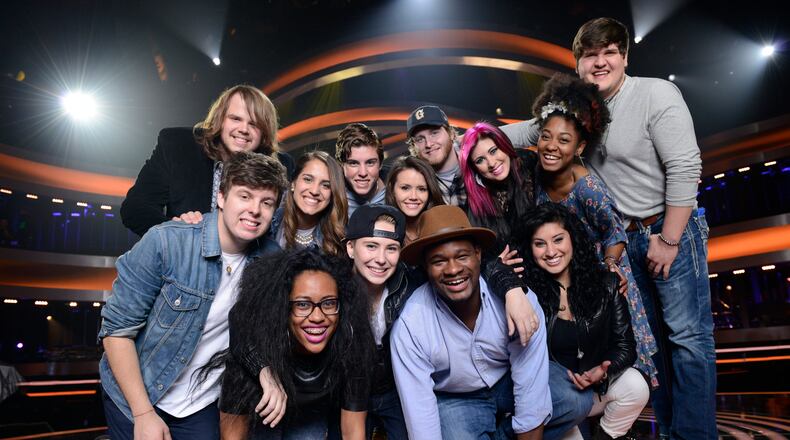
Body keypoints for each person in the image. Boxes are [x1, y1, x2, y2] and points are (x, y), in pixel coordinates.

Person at [502, 17, 715, 439]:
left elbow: (686, 167)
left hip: (666, 230)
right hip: (618, 242)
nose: (599, 63)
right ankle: (672, 431)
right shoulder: (578, 112)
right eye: (589, 55)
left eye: (609, 53)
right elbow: (519, 134)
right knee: (651, 346)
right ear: (577, 62)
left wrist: (669, 239)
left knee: (688, 342)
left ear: (624, 57)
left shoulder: (656, 93)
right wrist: (461, 144)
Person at [99, 152, 287, 440]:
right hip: (136, 395)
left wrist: (266, 370)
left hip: (199, 404)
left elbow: (251, 333)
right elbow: (116, 332)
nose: (255, 210)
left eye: (267, 202)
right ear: (222, 196)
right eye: (245, 196)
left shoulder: (271, 260)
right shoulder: (166, 242)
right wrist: (143, 413)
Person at [530, 73, 658, 388]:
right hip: (565, 275)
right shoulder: (536, 177)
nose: (551, 146)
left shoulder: (587, 187)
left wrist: (611, 269)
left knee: (614, 364)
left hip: (600, 276)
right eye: (546, 136)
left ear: (580, 146)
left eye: (563, 140)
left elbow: (615, 233)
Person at [390, 205, 551, 439]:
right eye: (438, 261)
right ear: (425, 267)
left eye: (462, 256)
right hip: (456, 397)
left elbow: (532, 388)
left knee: (569, 399)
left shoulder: (519, 302)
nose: (453, 269)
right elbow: (420, 415)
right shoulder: (411, 324)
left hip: (506, 379)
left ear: (478, 254)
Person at [515, 203, 649, 440]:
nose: (550, 251)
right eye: (540, 244)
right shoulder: (525, 293)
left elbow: (625, 346)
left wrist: (602, 371)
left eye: (558, 239)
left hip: (594, 386)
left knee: (636, 385)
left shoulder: (606, 282)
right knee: (570, 407)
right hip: (554, 399)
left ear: (573, 239)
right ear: (530, 249)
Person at [216, 248, 374, 439]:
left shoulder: (352, 346)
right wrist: (264, 370)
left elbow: (353, 434)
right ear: (283, 308)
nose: (317, 317)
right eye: (302, 304)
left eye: (329, 303)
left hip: (309, 418)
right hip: (260, 422)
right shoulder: (251, 354)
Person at [120, 84, 294, 236]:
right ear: (221, 119)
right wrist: (176, 231)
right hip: (183, 264)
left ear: (264, 132)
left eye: (254, 124)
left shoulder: (281, 165)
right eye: (235, 118)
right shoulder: (178, 146)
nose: (244, 129)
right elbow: (135, 208)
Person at [344, 204, 416, 439]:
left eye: (392, 248)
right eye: (371, 246)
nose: (381, 259)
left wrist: (510, 288)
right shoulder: (331, 288)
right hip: (345, 392)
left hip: (397, 391)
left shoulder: (411, 283)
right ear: (351, 248)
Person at [458, 121, 538, 253]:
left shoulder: (530, 165)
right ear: (474, 169)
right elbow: (479, 253)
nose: (491, 163)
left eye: (494, 151)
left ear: (504, 145)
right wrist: (496, 265)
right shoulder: (475, 200)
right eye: (480, 160)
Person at [269, 151, 348, 256]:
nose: (315, 191)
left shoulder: (340, 238)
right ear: (293, 183)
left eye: (326, 185)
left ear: (333, 193)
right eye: (308, 179)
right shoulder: (270, 222)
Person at [406, 105, 466, 207]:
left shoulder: (476, 155)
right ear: (413, 146)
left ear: (451, 133)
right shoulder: (415, 180)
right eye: (420, 139)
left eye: (434, 133)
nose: (428, 144)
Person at [383, 155, 445, 246]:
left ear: (430, 192)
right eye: (405, 188)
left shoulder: (443, 225)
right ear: (392, 189)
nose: (413, 196)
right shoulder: (382, 231)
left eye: (422, 189)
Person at [335, 123, 387, 216]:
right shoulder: (330, 199)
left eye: (370, 163)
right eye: (353, 163)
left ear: (380, 164)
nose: (363, 173)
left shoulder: (397, 194)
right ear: (341, 165)